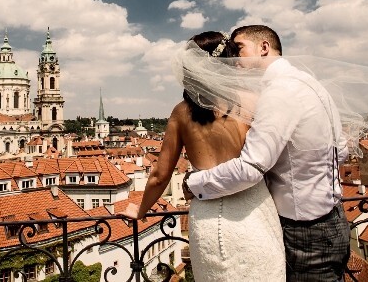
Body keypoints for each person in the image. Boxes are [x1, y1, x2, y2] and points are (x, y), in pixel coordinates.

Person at [183, 25, 351, 281]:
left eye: (238, 49)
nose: (233, 58)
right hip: (333, 219)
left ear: (264, 48)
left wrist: (194, 183)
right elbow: (343, 149)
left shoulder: (279, 92)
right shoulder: (310, 83)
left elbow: (250, 168)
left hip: (304, 231)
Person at [121, 31, 286, 281]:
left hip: (207, 221)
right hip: (254, 214)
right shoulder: (253, 100)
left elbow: (160, 175)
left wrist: (141, 210)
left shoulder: (181, 112)